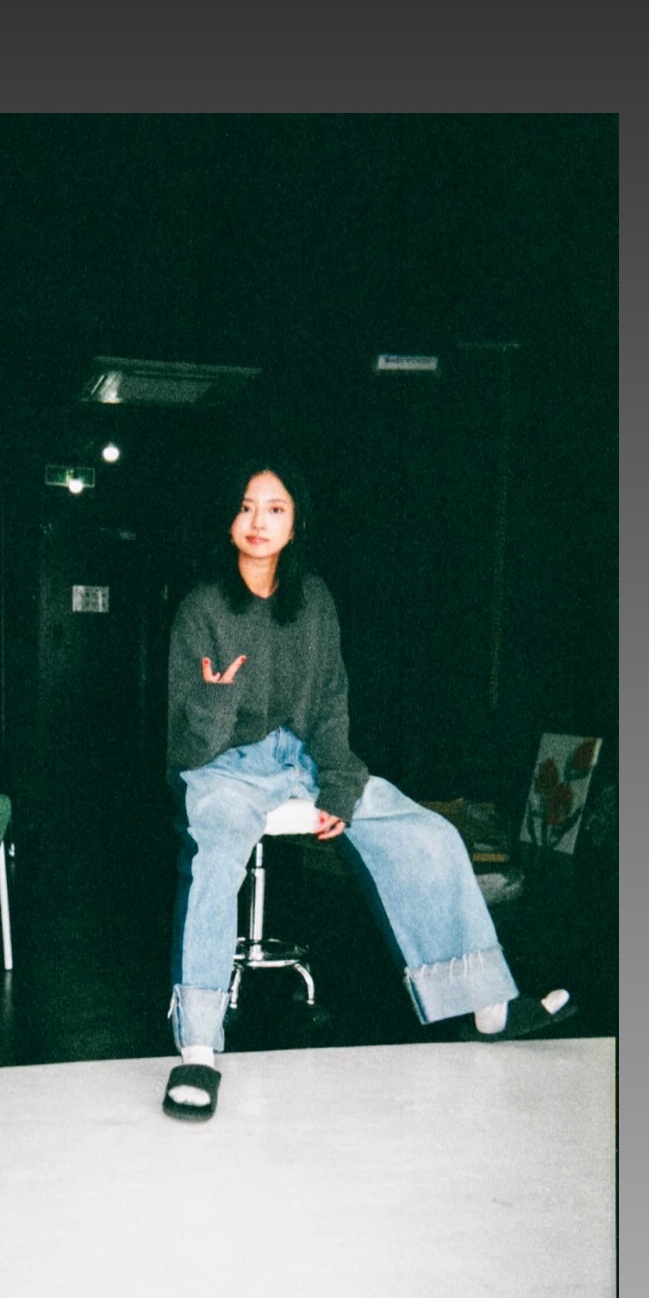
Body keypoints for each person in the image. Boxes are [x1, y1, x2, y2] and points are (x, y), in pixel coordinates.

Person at [163, 462, 572, 1119]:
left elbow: (330, 703)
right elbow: (186, 751)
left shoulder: (314, 601)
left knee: (429, 833)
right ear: (229, 520)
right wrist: (215, 702)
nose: (258, 521)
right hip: (224, 770)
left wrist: (340, 785)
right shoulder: (200, 608)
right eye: (246, 507)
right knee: (215, 864)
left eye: (275, 508)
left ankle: (489, 1006)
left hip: (301, 762)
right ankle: (198, 1047)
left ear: (296, 524)